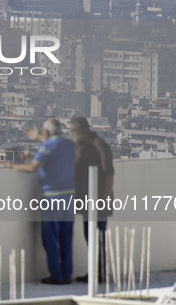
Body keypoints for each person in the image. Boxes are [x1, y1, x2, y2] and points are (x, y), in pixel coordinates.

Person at [4, 119, 75, 285]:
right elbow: (54, 156)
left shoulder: (47, 147)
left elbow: (32, 168)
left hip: (52, 198)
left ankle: (57, 276)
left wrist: (12, 166)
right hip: (70, 197)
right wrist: (36, 143)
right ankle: (66, 275)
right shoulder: (69, 145)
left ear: (47, 133)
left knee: (50, 237)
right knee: (66, 238)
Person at [69, 115, 115, 283]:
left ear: (80, 131)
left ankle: (99, 274)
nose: (70, 134)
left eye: (72, 131)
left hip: (98, 202)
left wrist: (103, 199)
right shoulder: (81, 146)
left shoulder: (99, 146)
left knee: (98, 238)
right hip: (86, 202)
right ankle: (94, 272)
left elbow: (109, 173)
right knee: (90, 237)